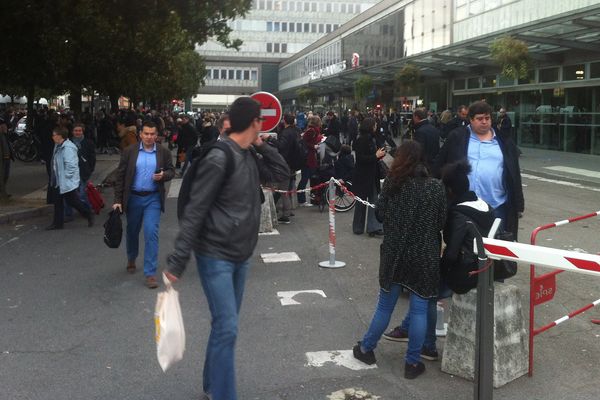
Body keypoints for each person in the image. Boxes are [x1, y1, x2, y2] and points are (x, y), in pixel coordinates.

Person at [164, 96, 289, 400]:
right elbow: (195, 209)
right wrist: (178, 261)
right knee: (228, 327)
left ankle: (211, 386)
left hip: (241, 255)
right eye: (260, 121)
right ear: (255, 122)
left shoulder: (248, 153)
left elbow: (283, 175)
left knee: (223, 327)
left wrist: (261, 145)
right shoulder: (220, 158)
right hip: (215, 255)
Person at [352, 140, 446, 379]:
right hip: (424, 253)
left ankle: (366, 348)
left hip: (394, 252)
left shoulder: (393, 185)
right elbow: (441, 222)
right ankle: (412, 363)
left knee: (385, 305)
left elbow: (380, 214)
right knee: (419, 309)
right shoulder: (435, 187)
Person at [433, 100, 524, 237]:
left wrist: (518, 204)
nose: (484, 122)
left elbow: (514, 173)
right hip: (465, 206)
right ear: (470, 120)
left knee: (497, 248)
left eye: (487, 118)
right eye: (479, 119)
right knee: (465, 248)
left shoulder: (504, 141)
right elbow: (439, 164)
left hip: (497, 205)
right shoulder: (457, 137)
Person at [112, 121, 175, 289]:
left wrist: (163, 175)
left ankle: (150, 273)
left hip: (153, 198)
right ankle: (131, 257)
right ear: (140, 134)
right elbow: (121, 176)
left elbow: (171, 170)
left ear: (156, 135)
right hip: (133, 198)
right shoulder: (130, 151)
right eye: (146, 134)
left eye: (152, 134)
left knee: (151, 232)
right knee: (132, 231)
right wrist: (118, 200)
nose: (149, 137)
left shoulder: (163, 152)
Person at [46, 127, 95, 230]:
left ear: (59, 136)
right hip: (58, 181)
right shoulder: (59, 145)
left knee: (73, 202)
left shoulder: (67, 148)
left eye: (54, 135)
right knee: (58, 202)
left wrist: (66, 178)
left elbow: (71, 165)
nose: (52, 137)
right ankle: (57, 224)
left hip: (65, 181)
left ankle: (88, 214)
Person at [352, 118, 385, 236]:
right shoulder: (362, 140)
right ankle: (364, 227)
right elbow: (360, 159)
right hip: (364, 174)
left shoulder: (372, 138)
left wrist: (379, 154)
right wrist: (376, 156)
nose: (376, 127)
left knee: (372, 200)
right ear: (370, 126)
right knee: (364, 201)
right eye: (375, 125)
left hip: (371, 174)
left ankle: (370, 227)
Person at [64, 123, 96, 220]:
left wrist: (90, 169)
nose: (77, 133)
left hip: (83, 172)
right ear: (72, 132)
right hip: (70, 172)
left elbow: (92, 158)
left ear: (83, 131)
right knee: (68, 194)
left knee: (82, 193)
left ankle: (87, 210)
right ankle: (68, 214)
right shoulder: (67, 143)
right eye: (76, 131)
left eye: (79, 131)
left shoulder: (88, 143)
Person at [274, 113, 300, 223]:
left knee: (283, 190)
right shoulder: (296, 131)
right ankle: (287, 210)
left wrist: (270, 139)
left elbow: (281, 146)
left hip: (285, 163)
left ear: (285, 121)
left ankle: (285, 215)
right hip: (293, 163)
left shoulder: (286, 133)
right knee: (287, 188)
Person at [296, 115, 323, 206]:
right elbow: (304, 142)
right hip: (308, 158)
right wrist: (313, 146)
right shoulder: (312, 131)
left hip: (309, 157)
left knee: (307, 177)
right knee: (305, 178)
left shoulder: (312, 130)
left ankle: (304, 197)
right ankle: (301, 200)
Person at [0, 117, 13, 201]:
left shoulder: (5, 135)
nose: (6, 128)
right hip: (3, 159)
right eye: (4, 126)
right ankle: (3, 194)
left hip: (6, 158)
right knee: (2, 176)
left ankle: (3, 192)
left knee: (5, 175)